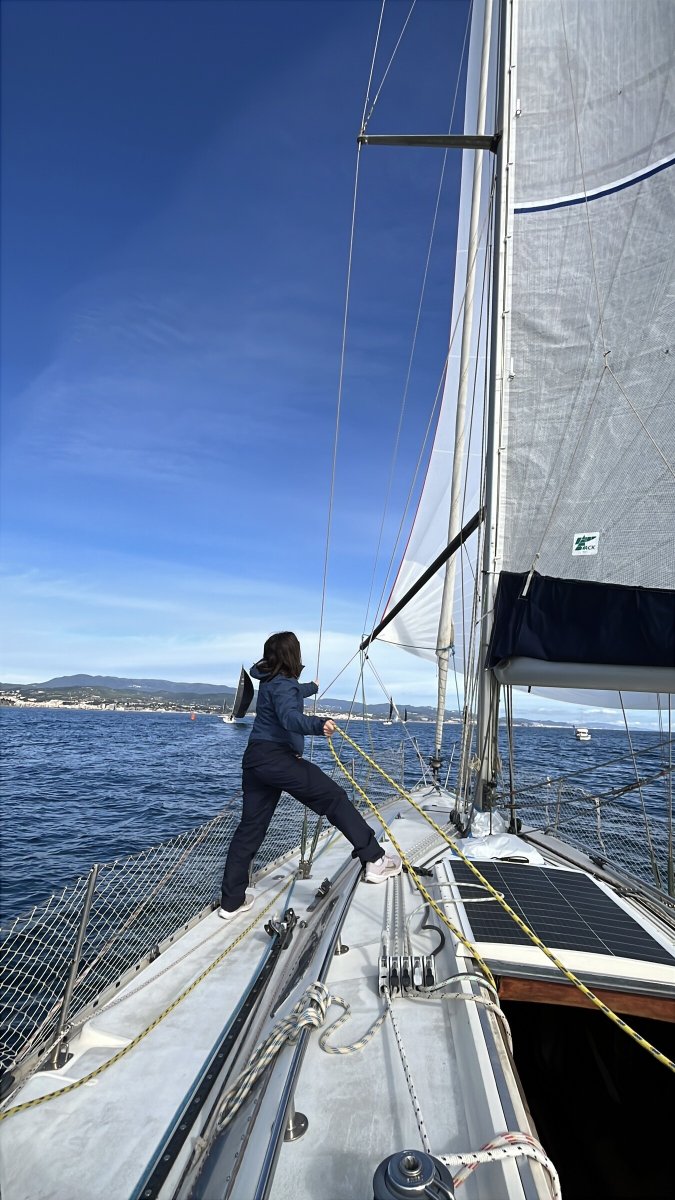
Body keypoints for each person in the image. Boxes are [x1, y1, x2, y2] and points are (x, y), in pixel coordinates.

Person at [219, 631, 401, 918]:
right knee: (334, 798)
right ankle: (375, 859)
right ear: (293, 655)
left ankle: (231, 902)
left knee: (249, 830)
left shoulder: (270, 681)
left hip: (255, 761)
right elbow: (289, 716)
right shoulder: (284, 685)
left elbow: (294, 692)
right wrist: (319, 724)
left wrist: (312, 688)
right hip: (278, 759)